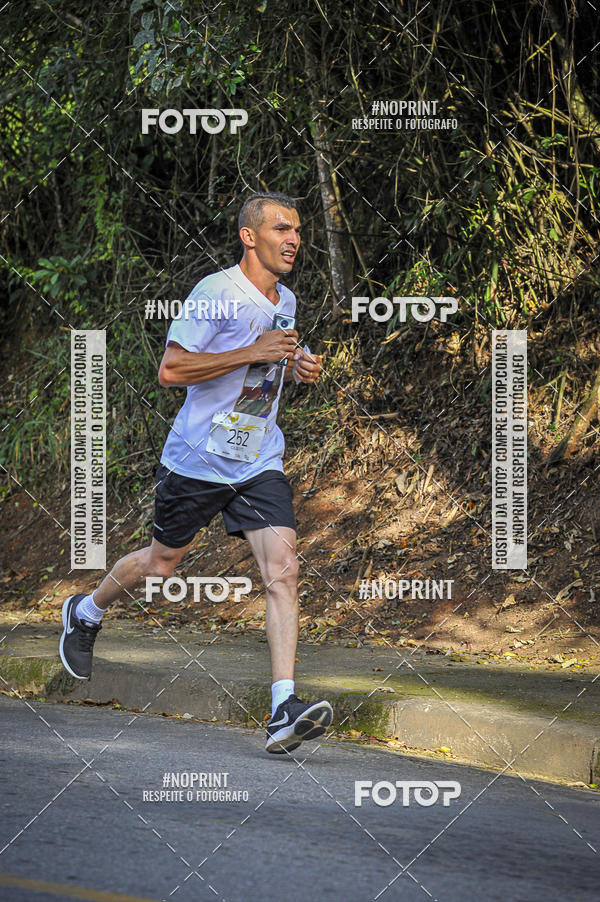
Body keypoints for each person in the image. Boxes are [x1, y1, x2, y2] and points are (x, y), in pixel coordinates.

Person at [59, 191, 333, 754]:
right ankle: (84, 612)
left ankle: (283, 706)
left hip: (258, 456)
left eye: (298, 230)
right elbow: (172, 368)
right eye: (282, 228)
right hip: (198, 457)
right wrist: (250, 350)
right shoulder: (214, 294)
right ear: (249, 236)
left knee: (282, 569)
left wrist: (296, 364)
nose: (294, 239)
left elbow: (266, 364)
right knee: (161, 565)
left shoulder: (289, 299)